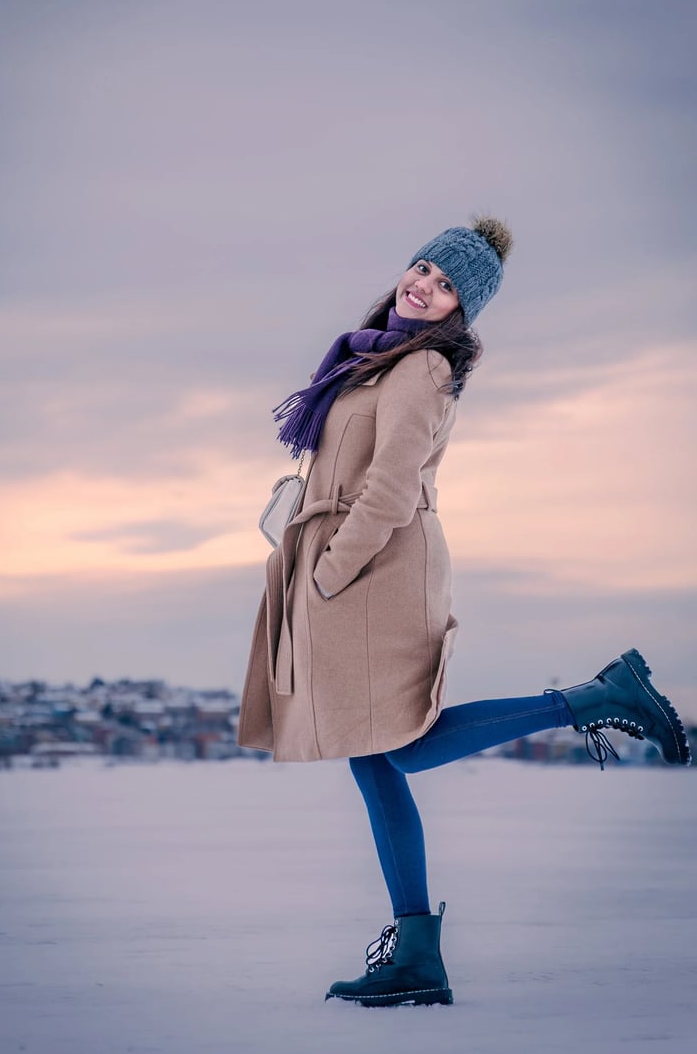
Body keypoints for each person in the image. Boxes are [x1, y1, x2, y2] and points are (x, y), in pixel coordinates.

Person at [237, 216, 691, 1008]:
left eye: (446, 285)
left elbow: (390, 489)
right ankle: (416, 953)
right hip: (351, 568)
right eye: (423, 268)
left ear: (461, 309)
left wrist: (330, 574)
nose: (424, 286)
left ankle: (594, 697)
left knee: (400, 750)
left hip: (375, 572)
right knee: (372, 758)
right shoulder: (376, 358)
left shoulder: (422, 368)